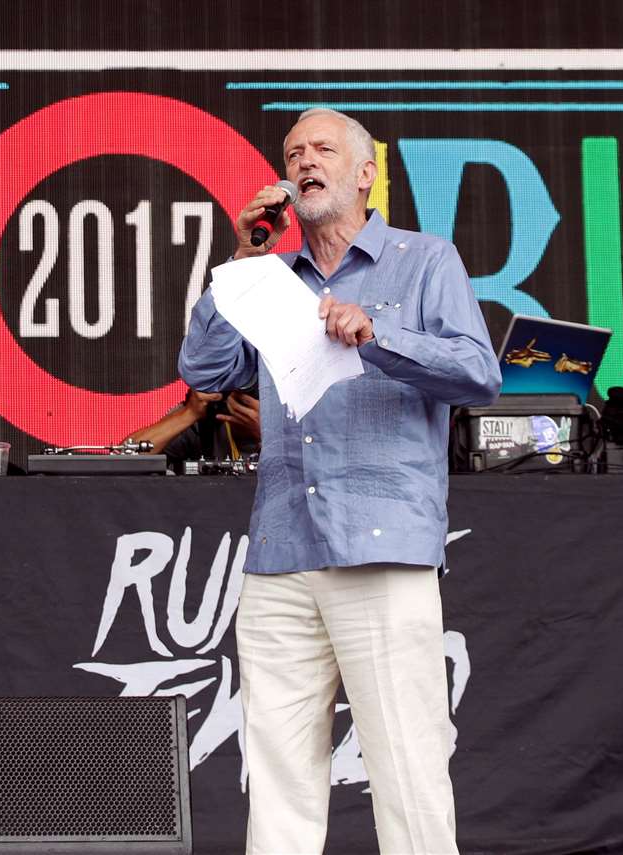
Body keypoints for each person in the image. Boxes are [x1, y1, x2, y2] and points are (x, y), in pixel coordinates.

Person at [179, 108, 500, 854]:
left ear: (365, 173)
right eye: (293, 153)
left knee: (407, 768)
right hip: (282, 549)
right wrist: (243, 257)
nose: (304, 161)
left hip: (381, 545)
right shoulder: (269, 279)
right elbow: (202, 371)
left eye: (323, 149)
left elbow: (479, 374)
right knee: (280, 778)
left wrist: (379, 335)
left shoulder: (423, 260)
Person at [122, 387, 261, 469]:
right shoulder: (207, 417)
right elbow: (122, 459)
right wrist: (190, 413)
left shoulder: (282, 421)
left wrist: (268, 435)